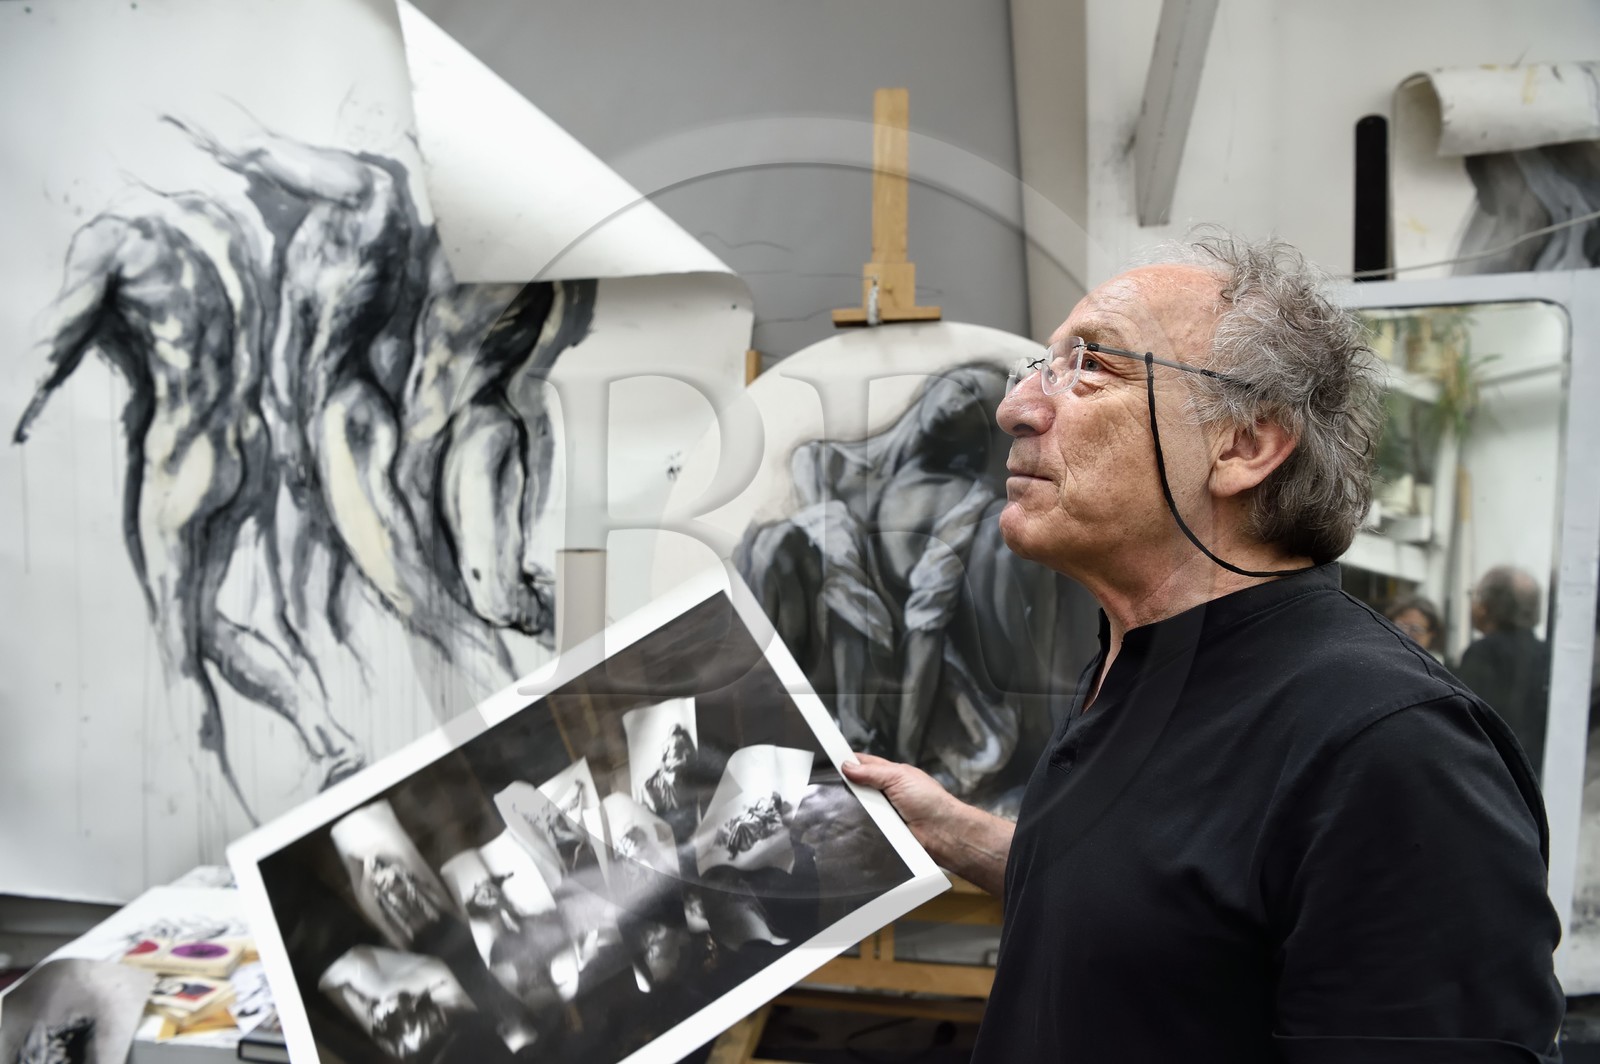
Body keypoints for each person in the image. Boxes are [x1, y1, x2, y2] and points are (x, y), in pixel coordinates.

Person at [841, 231, 1562, 1062]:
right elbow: (1180, 906)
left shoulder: (1391, 748)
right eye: (1039, 369)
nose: (1018, 407)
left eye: (1093, 368)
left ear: (1245, 445)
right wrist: (958, 832)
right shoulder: (1142, 663)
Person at [1456, 566, 1553, 776]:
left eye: (1475, 595)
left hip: (1492, 776)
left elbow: (1465, 721)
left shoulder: (1483, 653)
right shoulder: (1549, 655)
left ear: (1485, 606)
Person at [1384, 593, 1444, 659]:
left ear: (1431, 633)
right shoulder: (1381, 658)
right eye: (1399, 627)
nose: (1405, 633)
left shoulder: (1435, 666)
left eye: (1415, 629)